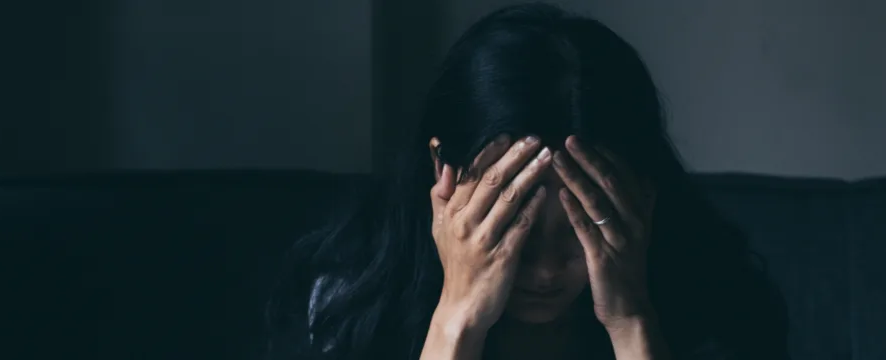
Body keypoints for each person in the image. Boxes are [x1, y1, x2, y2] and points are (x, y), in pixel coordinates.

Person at [266, 3, 787, 359]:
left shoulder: (717, 299)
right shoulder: (354, 302)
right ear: (442, 178)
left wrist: (631, 322)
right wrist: (457, 323)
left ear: (640, 198)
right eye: (513, 225)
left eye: (580, 232)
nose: (543, 271)